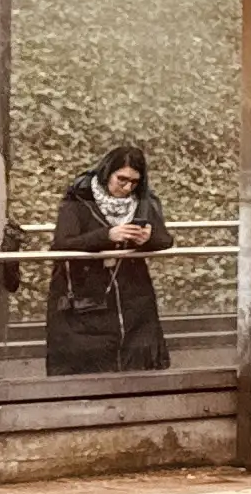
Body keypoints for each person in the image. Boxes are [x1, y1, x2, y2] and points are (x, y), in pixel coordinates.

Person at [47, 145, 171, 374]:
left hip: (132, 293)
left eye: (134, 182)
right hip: (86, 291)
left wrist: (147, 238)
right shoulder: (78, 199)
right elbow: (62, 243)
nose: (127, 188)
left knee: (134, 360)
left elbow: (165, 239)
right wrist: (107, 236)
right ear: (107, 173)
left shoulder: (143, 201)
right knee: (91, 362)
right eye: (121, 179)